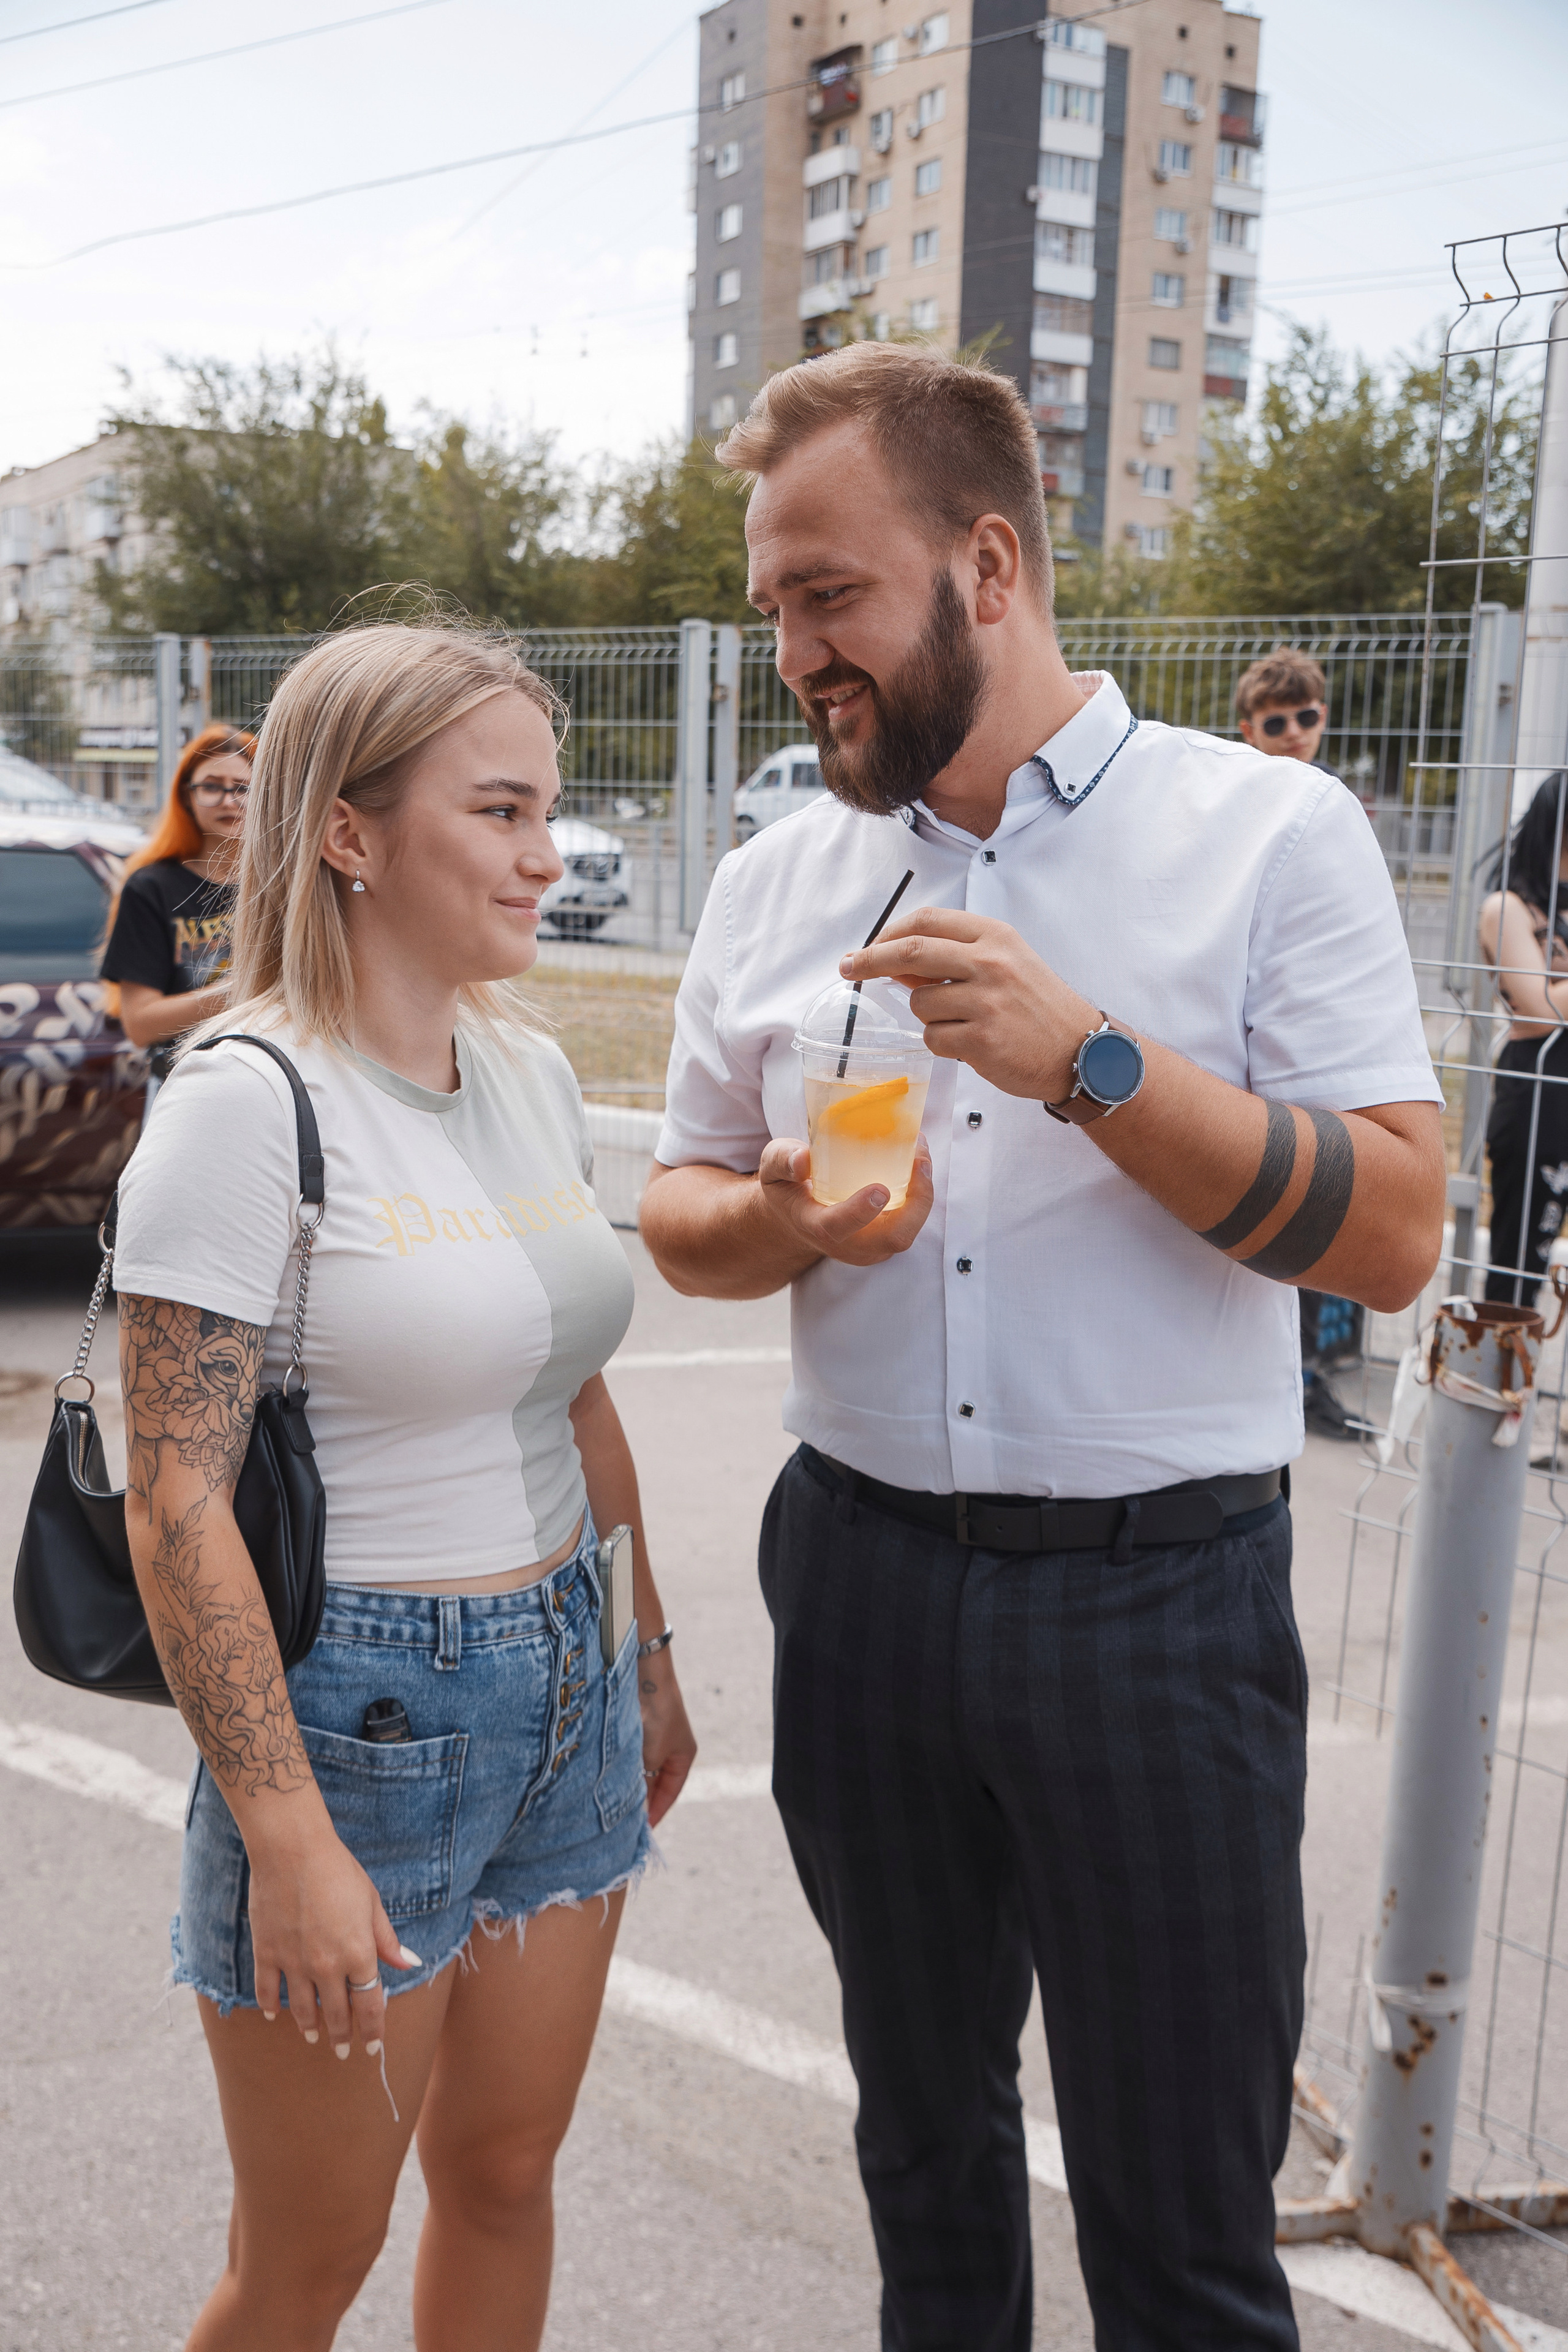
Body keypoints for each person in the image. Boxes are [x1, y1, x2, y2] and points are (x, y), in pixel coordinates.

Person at [640, 343, 1445, 2352]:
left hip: (1157, 1606)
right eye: (774, 610)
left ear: (986, 567)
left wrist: (1091, 1063)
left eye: (832, 597)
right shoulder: (772, 879)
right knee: (925, 2174)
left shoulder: (1268, 834)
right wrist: (784, 1219)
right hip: (860, 1582)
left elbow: (1400, 1230)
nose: (797, 652)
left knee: (1181, 2230)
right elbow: (678, 1204)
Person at [112, 620, 696, 2351]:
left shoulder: (519, 1064)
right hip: (362, 1719)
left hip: (569, 1683)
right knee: (309, 2265)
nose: (547, 854)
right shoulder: (244, 1101)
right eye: (502, 811)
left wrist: (643, 1650)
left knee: (508, 2173)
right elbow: (174, 1504)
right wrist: (284, 1829)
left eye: (552, 810)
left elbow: (572, 1382)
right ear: (352, 835)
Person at [1236, 649, 1366, 1439]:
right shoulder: (1240, 808)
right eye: (1276, 723)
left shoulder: (1332, 807)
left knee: (1321, 1205)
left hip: (1320, 1038)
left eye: (1306, 719)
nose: (1292, 734)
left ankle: (1309, 1374)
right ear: (1248, 730)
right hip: (1254, 1044)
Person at [100, 723, 255, 1087]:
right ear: (186, 796)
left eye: (243, 788)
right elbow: (140, 1024)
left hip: (284, 1077)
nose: (228, 801)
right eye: (211, 786)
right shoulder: (151, 888)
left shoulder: (284, 883)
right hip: (187, 1082)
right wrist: (247, 990)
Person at [1478, 771, 1568, 1306]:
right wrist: (1549, 996)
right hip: (1540, 1091)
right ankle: (1500, 1384)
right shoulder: (1507, 907)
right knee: (1518, 1270)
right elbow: (1536, 1011)